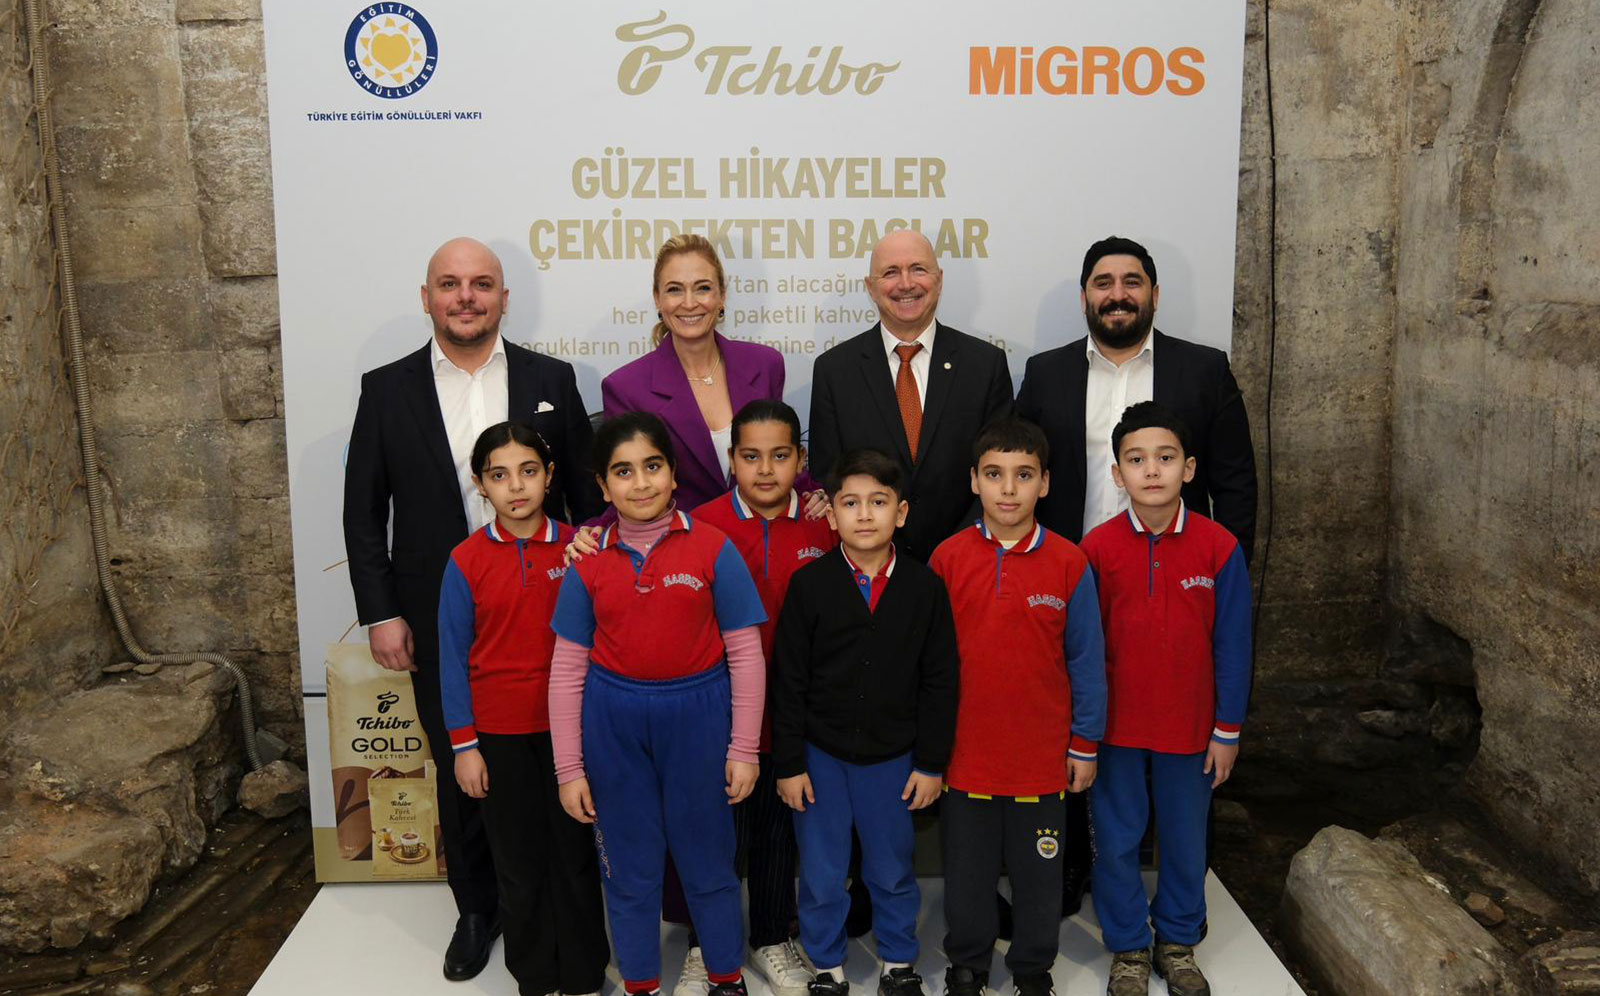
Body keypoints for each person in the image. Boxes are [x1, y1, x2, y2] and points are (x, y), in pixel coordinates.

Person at [342, 237, 603, 980]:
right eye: (450, 284)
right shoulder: (385, 389)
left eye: (482, 284)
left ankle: (566, 910)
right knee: (465, 767)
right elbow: (364, 512)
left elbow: (586, 499)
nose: (466, 297)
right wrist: (380, 613)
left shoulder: (552, 379)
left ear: (503, 299)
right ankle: (479, 910)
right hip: (434, 611)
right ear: (426, 297)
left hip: (549, 612)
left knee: (557, 761)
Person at [1014, 235, 1257, 915]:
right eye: (1103, 283)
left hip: (1177, 579)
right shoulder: (1045, 372)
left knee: (1172, 760)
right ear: (1084, 296)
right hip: (1073, 579)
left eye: (1131, 282)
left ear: (1154, 293)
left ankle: (1174, 902)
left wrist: (1222, 571)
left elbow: (1236, 481)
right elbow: (1023, 468)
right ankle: (1075, 873)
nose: (1117, 295)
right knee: (1083, 726)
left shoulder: (1203, 369)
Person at [548, 412, 767, 996]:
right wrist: (569, 768)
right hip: (613, 726)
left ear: (674, 473)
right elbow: (566, 669)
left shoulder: (713, 548)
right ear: (602, 486)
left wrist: (744, 748)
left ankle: (726, 977)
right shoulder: (586, 561)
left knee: (709, 861)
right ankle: (640, 982)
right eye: (623, 471)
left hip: (699, 720)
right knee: (628, 866)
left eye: (652, 466)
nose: (641, 483)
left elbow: (747, 654)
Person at [928, 418, 1106, 996]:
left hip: (1041, 762)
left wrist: (1085, 743)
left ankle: (1032, 968)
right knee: (967, 876)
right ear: (973, 481)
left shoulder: (1069, 563)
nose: (1008, 489)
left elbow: (1086, 660)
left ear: (1045, 483)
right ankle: (968, 963)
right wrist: (928, 748)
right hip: (965, 759)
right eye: (995, 474)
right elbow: (927, 665)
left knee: (1038, 876)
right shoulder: (947, 559)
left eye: (1024, 475)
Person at [1079, 402, 1251, 996]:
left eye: (1166, 457)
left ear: (1190, 468)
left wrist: (1227, 729)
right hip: (1116, 731)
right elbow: (1083, 648)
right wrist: (1084, 732)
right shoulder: (1096, 549)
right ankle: (1128, 944)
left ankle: (1177, 941)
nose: (1152, 470)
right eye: (1136, 459)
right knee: (1116, 841)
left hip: (1191, 731)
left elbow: (1234, 644)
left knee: (1184, 841)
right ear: (1117, 473)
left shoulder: (1219, 547)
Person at [773, 449, 960, 996]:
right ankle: (827, 966)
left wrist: (931, 763)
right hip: (820, 760)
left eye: (878, 502)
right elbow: (789, 681)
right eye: (850, 503)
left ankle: (898, 961)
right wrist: (789, 763)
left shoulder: (925, 588)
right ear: (831, 515)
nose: (864, 514)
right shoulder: (809, 585)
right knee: (823, 872)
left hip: (894, 760)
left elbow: (940, 681)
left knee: (892, 869)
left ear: (900, 513)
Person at [438, 422, 609, 996]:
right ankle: (534, 978)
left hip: (572, 734)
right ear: (480, 484)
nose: (516, 486)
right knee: (517, 862)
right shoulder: (465, 561)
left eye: (528, 471)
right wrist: (465, 747)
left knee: (575, 855)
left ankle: (584, 975)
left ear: (549, 476)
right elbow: (453, 660)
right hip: (499, 737)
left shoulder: (581, 547)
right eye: (500, 475)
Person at [692, 399, 838, 996]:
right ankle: (708, 944)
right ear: (731, 461)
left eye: (780, 456)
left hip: (794, 712)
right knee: (717, 834)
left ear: (800, 460)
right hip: (719, 712)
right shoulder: (700, 526)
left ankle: (772, 937)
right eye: (751, 457)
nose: (765, 470)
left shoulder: (827, 524)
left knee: (779, 831)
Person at [808, 230, 1013, 563]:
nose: (906, 284)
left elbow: (999, 470)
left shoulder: (985, 365)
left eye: (918, 269)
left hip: (968, 561)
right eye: (891, 272)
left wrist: (958, 552)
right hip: (872, 567)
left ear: (939, 279)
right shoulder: (834, 371)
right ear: (870, 287)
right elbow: (829, 475)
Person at [601, 234, 822, 513]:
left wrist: (814, 494)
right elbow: (625, 486)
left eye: (703, 288)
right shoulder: (625, 388)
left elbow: (780, 455)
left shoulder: (766, 365)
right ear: (657, 299)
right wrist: (594, 530)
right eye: (675, 290)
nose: (689, 303)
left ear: (722, 295)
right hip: (677, 536)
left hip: (763, 530)